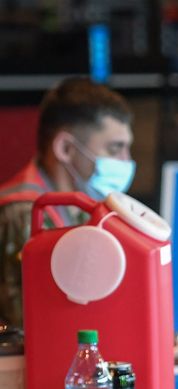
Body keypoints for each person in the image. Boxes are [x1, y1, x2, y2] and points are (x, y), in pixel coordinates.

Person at [0, 77, 134, 328]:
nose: (126, 161)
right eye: (115, 149)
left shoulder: (82, 207)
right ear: (66, 149)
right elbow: (31, 324)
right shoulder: (22, 213)